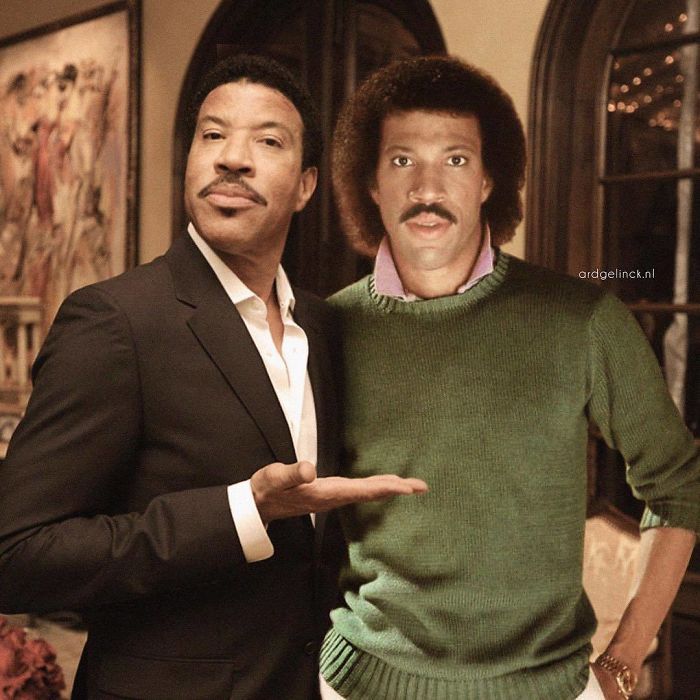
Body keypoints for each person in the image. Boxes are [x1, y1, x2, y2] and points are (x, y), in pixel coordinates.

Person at [0, 54, 426, 700]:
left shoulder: (324, 326)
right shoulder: (116, 321)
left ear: (306, 186)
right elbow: (18, 554)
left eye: (268, 141)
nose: (232, 158)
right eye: (213, 134)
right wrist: (242, 512)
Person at [318, 56, 700, 700]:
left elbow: (679, 484)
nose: (427, 186)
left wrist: (625, 658)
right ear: (372, 183)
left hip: (548, 689)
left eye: (456, 160)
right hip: (358, 683)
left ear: (489, 180)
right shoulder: (325, 330)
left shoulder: (582, 320)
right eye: (403, 160)